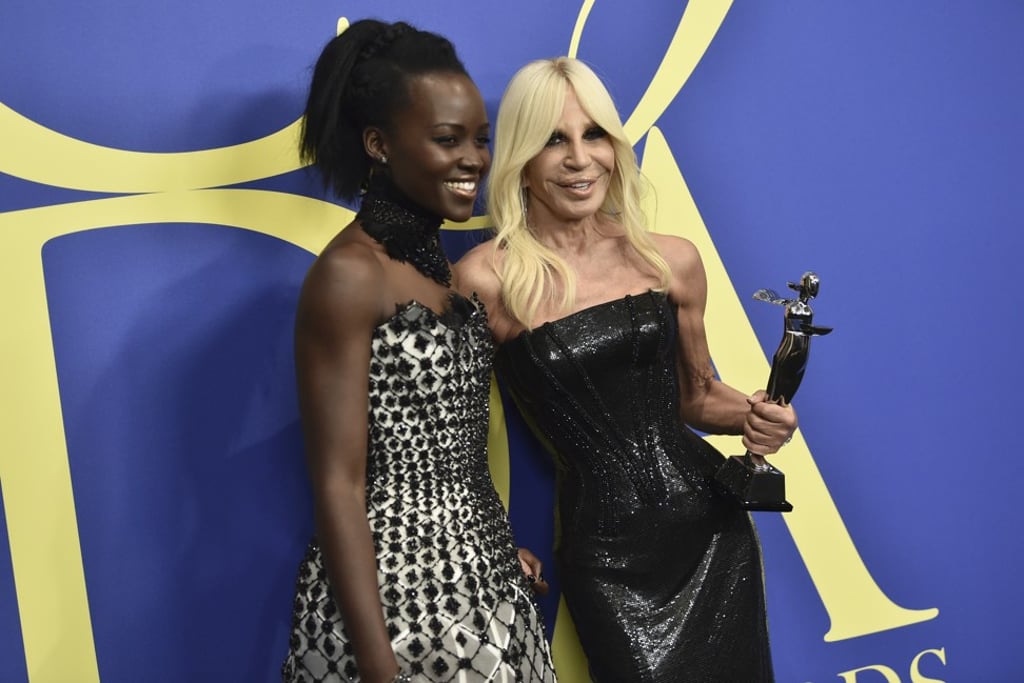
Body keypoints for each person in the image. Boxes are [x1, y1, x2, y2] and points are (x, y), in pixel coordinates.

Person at [455, 57, 797, 682]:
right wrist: (489, 541)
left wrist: (760, 417)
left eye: (595, 136)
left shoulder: (668, 259)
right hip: (604, 555)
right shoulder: (486, 279)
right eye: (554, 140)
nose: (580, 159)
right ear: (522, 162)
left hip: (711, 531)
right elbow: (451, 443)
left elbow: (696, 398)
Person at [282, 21, 557, 683]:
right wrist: (379, 668)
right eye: (446, 139)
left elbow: (445, 446)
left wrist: (487, 546)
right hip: (390, 617)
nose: (473, 159)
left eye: (479, 138)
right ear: (378, 144)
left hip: (484, 594)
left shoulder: (435, 263)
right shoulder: (350, 273)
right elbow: (339, 485)